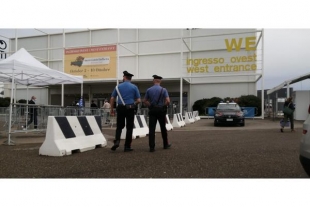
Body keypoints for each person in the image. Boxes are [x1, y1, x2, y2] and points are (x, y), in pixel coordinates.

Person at [110, 71, 141, 152]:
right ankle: (127, 146)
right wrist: (133, 104)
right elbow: (139, 100)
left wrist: (111, 109)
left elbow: (112, 98)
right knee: (129, 127)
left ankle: (117, 141)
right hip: (130, 108)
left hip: (120, 108)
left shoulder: (118, 87)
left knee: (119, 126)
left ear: (124, 77)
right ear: (130, 78)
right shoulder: (134, 87)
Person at [143, 74, 171, 152]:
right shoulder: (163, 90)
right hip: (161, 110)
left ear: (153, 81)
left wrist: (150, 106)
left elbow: (144, 101)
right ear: (160, 81)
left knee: (152, 129)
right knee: (163, 128)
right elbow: (168, 101)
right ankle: (165, 144)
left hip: (152, 110)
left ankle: (152, 147)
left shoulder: (149, 90)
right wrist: (163, 106)